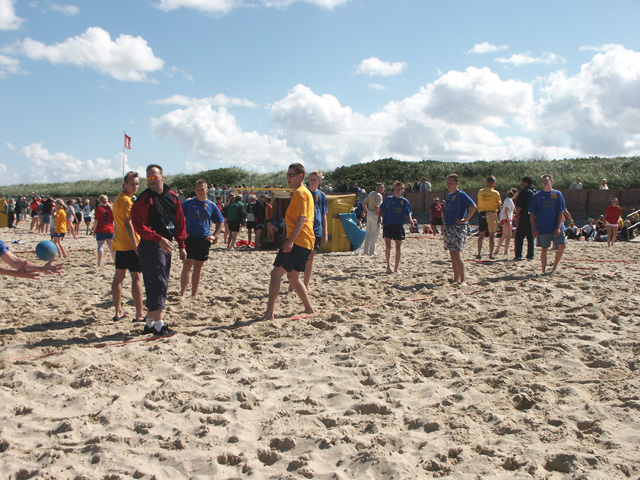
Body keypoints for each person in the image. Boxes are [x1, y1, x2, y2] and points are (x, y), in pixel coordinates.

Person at [131, 164, 187, 336]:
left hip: (166, 243)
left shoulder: (173, 197)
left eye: (154, 177)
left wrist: (182, 245)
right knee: (157, 283)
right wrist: (158, 238)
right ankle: (158, 324)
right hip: (151, 245)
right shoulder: (143, 199)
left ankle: (150, 322)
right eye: (148, 178)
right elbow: (139, 225)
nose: (151, 181)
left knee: (161, 281)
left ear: (162, 177)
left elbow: (179, 222)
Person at [260, 163, 315, 321]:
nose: (288, 178)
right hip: (305, 241)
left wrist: (290, 240)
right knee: (293, 277)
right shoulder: (304, 192)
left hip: (299, 241)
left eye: (291, 175)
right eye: (287, 174)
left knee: (276, 274)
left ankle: (269, 313)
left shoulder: (300, 193)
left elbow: (302, 218)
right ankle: (309, 309)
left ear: (300, 176)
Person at [180, 179, 223, 297]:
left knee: (198, 267)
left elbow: (220, 221)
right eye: (198, 189)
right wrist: (183, 231)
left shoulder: (211, 205)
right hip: (190, 238)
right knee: (187, 265)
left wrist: (214, 235)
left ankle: (194, 294)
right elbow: (177, 216)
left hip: (204, 239)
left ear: (207, 190)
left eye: (202, 189)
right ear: (195, 190)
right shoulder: (189, 203)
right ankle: (183, 293)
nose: (200, 191)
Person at [111, 171, 144, 323]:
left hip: (120, 243)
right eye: (132, 184)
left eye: (137, 184)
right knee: (135, 277)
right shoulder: (125, 200)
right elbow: (127, 223)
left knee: (119, 276)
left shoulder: (119, 198)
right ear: (125, 184)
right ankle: (139, 314)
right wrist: (136, 246)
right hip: (129, 244)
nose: (135, 187)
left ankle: (118, 311)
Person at [529, 174, 566, 273]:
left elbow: (560, 212)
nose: (545, 182)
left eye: (547, 180)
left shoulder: (557, 194)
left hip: (556, 225)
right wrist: (533, 228)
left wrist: (559, 226)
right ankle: (543, 270)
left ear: (551, 181)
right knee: (544, 248)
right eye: (543, 181)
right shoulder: (537, 196)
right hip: (543, 225)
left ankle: (554, 267)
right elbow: (532, 213)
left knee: (562, 245)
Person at [444, 174, 476, 286]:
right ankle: (456, 278)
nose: (449, 185)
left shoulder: (461, 194)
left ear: (457, 183)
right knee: (452, 253)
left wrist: (466, 219)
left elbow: (473, 206)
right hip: (449, 226)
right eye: (448, 183)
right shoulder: (449, 196)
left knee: (457, 253)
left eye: (451, 183)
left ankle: (463, 280)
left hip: (458, 227)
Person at [378, 181, 416, 273]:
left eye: (399, 189)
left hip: (398, 225)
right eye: (396, 189)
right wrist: (379, 218)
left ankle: (396, 268)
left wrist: (411, 220)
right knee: (388, 246)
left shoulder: (404, 201)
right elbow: (381, 209)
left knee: (398, 247)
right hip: (388, 224)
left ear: (402, 190)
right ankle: (388, 266)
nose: (397, 191)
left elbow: (408, 212)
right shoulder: (388, 199)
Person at [302, 171, 328, 289]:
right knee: (300, 256)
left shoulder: (322, 195)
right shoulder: (304, 192)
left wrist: (325, 233)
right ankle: (293, 283)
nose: (312, 181)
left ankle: (306, 284)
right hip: (305, 228)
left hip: (317, 229)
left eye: (314, 179)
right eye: (311, 179)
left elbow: (324, 215)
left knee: (311, 257)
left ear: (319, 181)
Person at [476, 175, 502, 260]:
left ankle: (479, 253)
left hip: (482, 213)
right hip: (491, 213)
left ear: (487, 182)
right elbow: (499, 204)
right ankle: (490, 254)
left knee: (481, 235)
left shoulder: (480, 191)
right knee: (491, 236)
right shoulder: (495, 193)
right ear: (494, 182)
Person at [514, 176, 537, 261]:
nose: (522, 184)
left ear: (525, 182)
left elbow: (519, 205)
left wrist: (516, 215)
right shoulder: (535, 192)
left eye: (522, 182)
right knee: (530, 237)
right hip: (533, 216)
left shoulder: (524, 192)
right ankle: (530, 255)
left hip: (524, 215)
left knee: (519, 236)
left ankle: (518, 255)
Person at [362, 183, 385, 255]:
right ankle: (372, 251)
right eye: (383, 187)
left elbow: (364, 203)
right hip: (375, 214)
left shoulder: (371, 193)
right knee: (375, 233)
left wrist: (367, 211)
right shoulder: (379, 196)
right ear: (380, 188)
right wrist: (378, 215)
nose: (384, 189)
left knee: (368, 232)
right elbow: (376, 207)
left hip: (369, 213)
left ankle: (366, 250)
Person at [93, 195, 115, 266]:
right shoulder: (111, 209)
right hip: (109, 229)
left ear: (100, 201)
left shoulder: (98, 209)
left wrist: (93, 230)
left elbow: (96, 221)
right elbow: (114, 220)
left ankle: (99, 262)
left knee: (100, 246)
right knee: (111, 247)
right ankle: (115, 261)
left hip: (100, 229)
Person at [495, 188, 517, 255]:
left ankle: (497, 250)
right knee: (509, 236)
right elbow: (506, 210)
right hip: (506, 219)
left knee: (504, 235)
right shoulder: (509, 200)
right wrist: (508, 220)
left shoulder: (508, 200)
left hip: (505, 219)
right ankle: (505, 251)